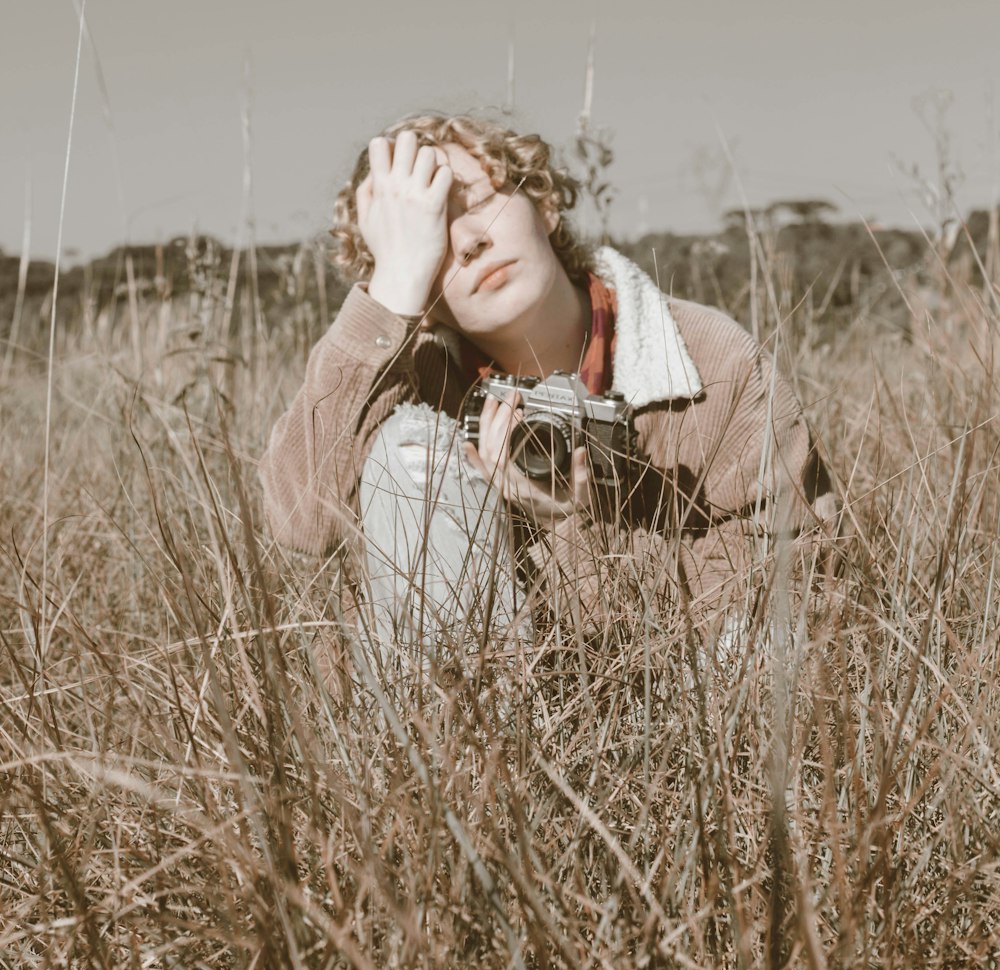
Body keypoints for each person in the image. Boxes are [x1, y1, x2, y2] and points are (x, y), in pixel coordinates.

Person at [259, 114, 835, 668]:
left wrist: (570, 532)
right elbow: (301, 521)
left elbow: (792, 589)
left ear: (545, 203)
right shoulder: (408, 386)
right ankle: (468, 758)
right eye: (430, 233)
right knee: (408, 448)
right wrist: (392, 290)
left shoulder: (709, 363)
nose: (468, 243)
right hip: (457, 734)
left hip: (679, 732)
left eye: (479, 202)